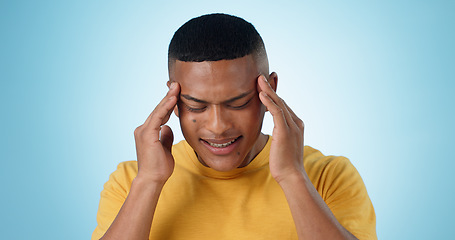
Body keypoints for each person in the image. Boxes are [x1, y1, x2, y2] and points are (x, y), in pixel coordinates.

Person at [92, 13, 377, 240]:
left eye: (238, 103)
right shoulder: (131, 182)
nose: (217, 127)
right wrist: (149, 183)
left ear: (270, 91)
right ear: (173, 99)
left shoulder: (329, 177)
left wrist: (292, 176)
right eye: (196, 106)